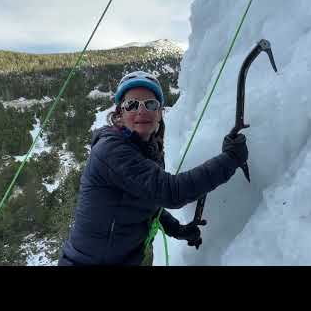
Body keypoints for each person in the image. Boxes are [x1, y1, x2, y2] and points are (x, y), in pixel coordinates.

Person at [58, 71, 248, 266]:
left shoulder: (147, 149)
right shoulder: (111, 151)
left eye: (150, 104)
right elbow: (171, 192)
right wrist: (231, 159)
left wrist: (177, 230)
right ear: (120, 115)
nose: (141, 111)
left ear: (159, 113)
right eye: (131, 105)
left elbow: (147, 200)